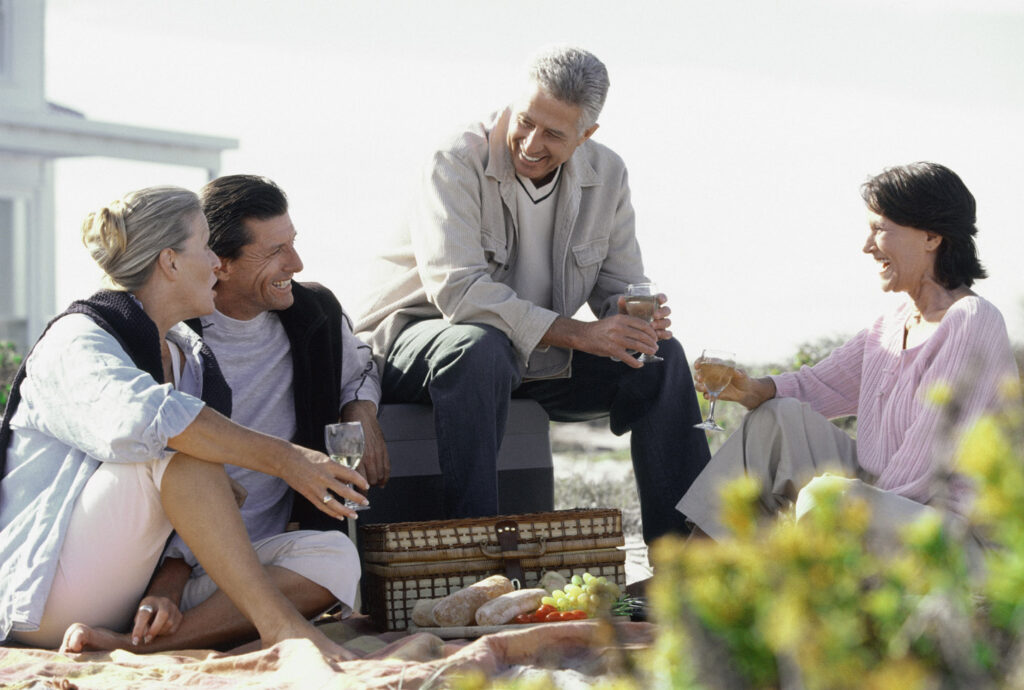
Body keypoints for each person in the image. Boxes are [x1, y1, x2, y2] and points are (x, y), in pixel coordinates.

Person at [355, 45, 710, 545]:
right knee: (481, 346)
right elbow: (458, 290)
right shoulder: (455, 160)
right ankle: (477, 555)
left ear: (586, 135)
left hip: (531, 356)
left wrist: (631, 319)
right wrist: (582, 333)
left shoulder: (608, 175)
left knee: (661, 359)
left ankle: (683, 566)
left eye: (554, 133)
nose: (530, 142)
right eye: (525, 121)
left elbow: (620, 284)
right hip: (417, 342)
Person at [0, 186, 367, 656]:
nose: (218, 263)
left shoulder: (189, 357)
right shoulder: (77, 339)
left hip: (135, 587)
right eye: (208, 246)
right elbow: (143, 421)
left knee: (332, 558)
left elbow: (183, 489)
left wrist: (170, 583)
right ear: (170, 261)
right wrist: (286, 458)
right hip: (48, 595)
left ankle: (133, 644)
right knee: (181, 450)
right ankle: (283, 630)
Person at [677, 162, 1019, 551]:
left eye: (880, 229)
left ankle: (786, 587)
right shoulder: (890, 325)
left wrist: (843, 508)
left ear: (930, 236)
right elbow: (815, 385)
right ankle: (692, 569)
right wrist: (756, 389)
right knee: (775, 419)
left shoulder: (971, 322)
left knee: (829, 497)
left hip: (948, 538)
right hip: (885, 504)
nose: (868, 245)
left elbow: (924, 474)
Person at [130, 174, 388, 653]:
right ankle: (164, 633)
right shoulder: (169, 336)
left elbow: (360, 364)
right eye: (274, 252)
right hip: (164, 568)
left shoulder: (314, 313)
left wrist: (362, 408)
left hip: (269, 559)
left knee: (338, 558)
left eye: (292, 243)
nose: (296, 263)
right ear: (218, 264)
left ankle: (159, 642)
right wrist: (171, 573)